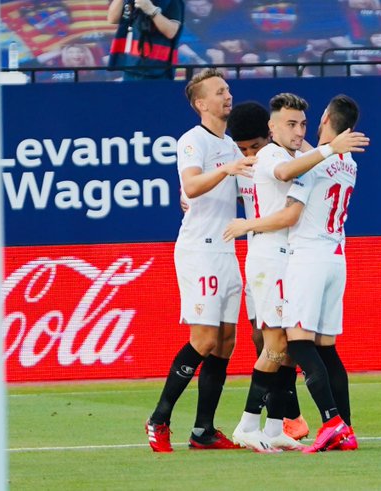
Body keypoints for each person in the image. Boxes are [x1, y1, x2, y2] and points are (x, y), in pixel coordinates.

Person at [223, 94, 366, 453]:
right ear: (271, 128)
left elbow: (291, 203)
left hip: (303, 257)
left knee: (291, 345)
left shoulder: (309, 160)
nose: (301, 130)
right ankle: (324, 425)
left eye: (305, 123)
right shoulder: (328, 159)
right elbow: (283, 180)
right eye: (291, 124)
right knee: (292, 346)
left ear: (324, 120)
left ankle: (287, 426)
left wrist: (248, 223)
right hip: (299, 257)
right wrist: (331, 147)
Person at [145, 68, 257, 452]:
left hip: (226, 248)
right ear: (201, 103)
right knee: (204, 338)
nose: (228, 96)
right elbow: (191, 184)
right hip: (199, 249)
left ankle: (203, 431)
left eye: (227, 89)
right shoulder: (193, 141)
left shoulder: (230, 145)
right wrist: (226, 170)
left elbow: (238, 191)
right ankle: (159, 418)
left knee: (226, 342)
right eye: (219, 91)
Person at [107, 0, 184, 80]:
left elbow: (171, 32)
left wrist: (151, 10)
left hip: (158, 71)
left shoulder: (173, 2)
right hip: (131, 68)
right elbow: (112, 19)